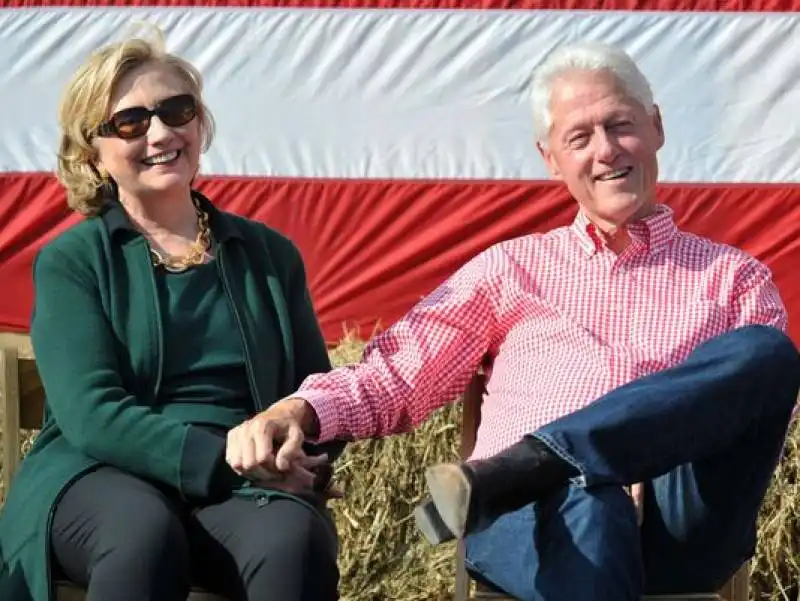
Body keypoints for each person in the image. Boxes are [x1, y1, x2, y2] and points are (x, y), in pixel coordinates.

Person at [225, 41, 800, 601]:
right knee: (585, 498)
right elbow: (398, 374)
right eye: (580, 137)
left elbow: (762, 419)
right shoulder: (510, 269)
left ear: (656, 128)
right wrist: (297, 409)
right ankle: (550, 471)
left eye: (620, 125)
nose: (606, 149)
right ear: (551, 159)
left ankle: (540, 459)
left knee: (768, 353)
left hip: (679, 523)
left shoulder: (734, 277)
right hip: (534, 518)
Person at [0, 29, 344, 601]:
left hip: (242, 487)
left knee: (292, 540)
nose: (160, 133)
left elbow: (318, 392)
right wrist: (227, 459)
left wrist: (295, 448)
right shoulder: (73, 261)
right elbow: (92, 415)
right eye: (131, 122)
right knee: (142, 535)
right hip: (99, 472)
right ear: (93, 152)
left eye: (176, 111)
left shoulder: (269, 255)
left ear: (199, 123)